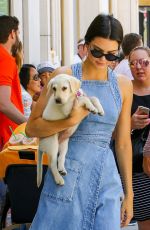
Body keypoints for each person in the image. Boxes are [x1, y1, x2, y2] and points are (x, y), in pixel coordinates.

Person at [26, 14, 133, 230]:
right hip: (67, 172)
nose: (103, 59)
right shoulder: (63, 75)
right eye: (96, 51)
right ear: (86, 44)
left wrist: (128, 193)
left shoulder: (123, 85)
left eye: (111, 55)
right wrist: (71, 120)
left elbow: (122, 143)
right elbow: (32, 127)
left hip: (107, 177)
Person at [129, 46, 150, 230]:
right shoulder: (125, 90)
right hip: (137, 167)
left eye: (144, 62)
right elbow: (112, 132)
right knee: (145, 221)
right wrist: (130, 124)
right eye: (133, 63)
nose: (139, 67)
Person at [0, 15, 26, 151]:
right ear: (12, 33)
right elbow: (3, 103)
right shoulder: (5, 59)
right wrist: (28, 123)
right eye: (18, 33)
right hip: (5, 136)